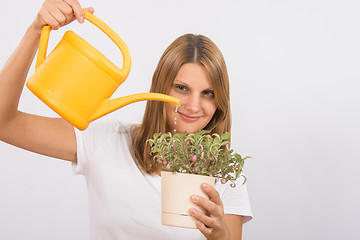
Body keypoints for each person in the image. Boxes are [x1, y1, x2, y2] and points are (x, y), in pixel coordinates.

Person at [0, 0, 252, 239]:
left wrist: (219, 235)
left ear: (220, 102)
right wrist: (35, 31)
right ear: (161, 87)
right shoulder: (107, 141)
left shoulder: (225, 172)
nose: (193, 105)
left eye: (208, 93)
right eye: (181, 88)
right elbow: (5, 124)